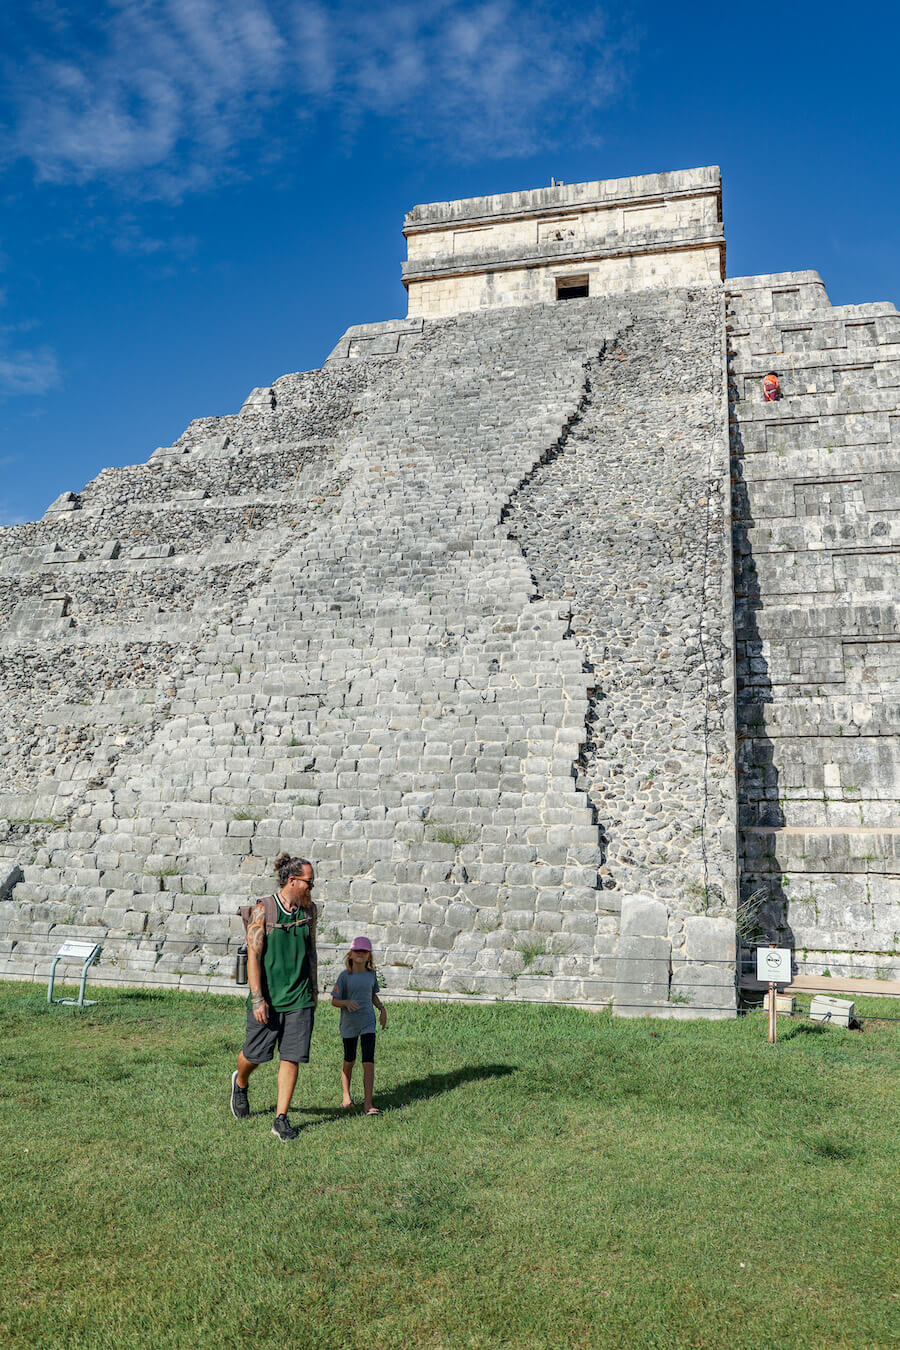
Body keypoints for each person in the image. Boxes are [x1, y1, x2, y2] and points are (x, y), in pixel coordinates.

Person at [230, 853, 318, 1141]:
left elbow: (311, 952)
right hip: (268, 997)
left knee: (291, 1057)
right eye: (309, 882)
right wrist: (258, 998)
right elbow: (253, 957)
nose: (312, 888)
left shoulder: (310, 912)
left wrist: (314, 990)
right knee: (254, 1056)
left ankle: (281, 1118)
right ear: (293, 881)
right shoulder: (263, 910)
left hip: (300, 998)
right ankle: (241, 1081)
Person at [331, 937, 387, 1116]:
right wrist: (346, 1002)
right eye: (357, 951)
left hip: (368, 1023)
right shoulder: (344, 976)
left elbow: (372, 995)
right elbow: (334, 1001)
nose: (360, 954)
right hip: (349, 1025)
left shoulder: (372, 975)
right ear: (351, 954)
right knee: (350, 1060)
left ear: (369, 954)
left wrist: (381, 1009)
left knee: (368, 1062)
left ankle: (368, 1103)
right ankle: (346, 1095)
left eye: (364, 951)